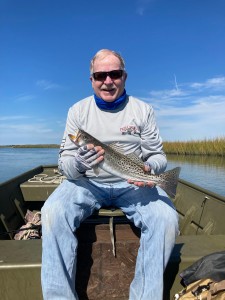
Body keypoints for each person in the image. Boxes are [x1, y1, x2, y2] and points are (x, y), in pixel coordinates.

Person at [41, 49, 179, 300]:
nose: (108, 81)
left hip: (134, 183)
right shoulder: (77, 111)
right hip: (88, 183)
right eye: (100, 75)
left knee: (166, 218)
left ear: (124, 76)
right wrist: (79, 165)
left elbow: (158, 156)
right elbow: (64, 165)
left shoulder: (143, 110)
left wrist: (151, 169)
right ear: (91, 79)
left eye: (114, 74)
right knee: (52, 212)